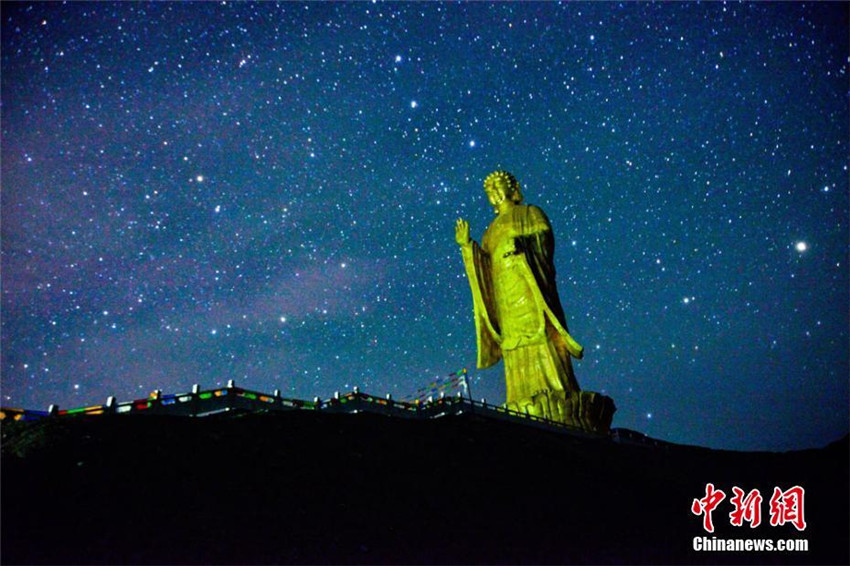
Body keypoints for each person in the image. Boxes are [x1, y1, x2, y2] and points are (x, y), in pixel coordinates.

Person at [455, 170, 587, 424]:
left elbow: (544, 239)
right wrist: (467, 247)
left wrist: (522, 247)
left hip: (530, 288)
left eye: (498, 188)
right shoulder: (490, 231)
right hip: (506, 297)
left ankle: (556, 390)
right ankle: (521, 396)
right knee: (514, 346)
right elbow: (485, 267)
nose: (494, 195)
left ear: (512, 188)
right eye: (489, 192)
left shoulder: (530, 213)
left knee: (543, 339)